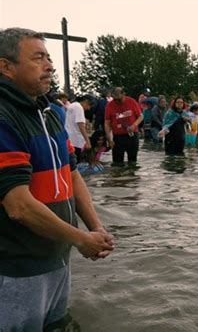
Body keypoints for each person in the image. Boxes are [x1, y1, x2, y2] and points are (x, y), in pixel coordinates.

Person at [0, 27, 114, 331]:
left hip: (57, 257)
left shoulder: (49, 112)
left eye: (49, 57)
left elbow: (71, 174)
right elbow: (18, 206)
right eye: (38, 58)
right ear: (5, 66)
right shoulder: (3, 117)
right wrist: (80, 239)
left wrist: (95, 228)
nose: (50, 65)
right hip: (16, 268)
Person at [104, 87, 143, 166]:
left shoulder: (131, 101)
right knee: (117, 163)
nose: (117, 101)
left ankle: (132, 177)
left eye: (119, 99)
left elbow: (141, 116)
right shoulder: (110, 105)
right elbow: (107, 123)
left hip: (132, 135)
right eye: (115, 99)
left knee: (132, 162)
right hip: (118, 137)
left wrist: (134, 125)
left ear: (123, 94)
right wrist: (109, 138)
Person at [65, 95, 93, 159]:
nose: (88, 108)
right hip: (75, 140)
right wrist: (88, 141)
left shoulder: (73, 105)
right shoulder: (79, 107)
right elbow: (81, 126)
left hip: (70, 139)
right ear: (86, 102)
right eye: (89, 106)